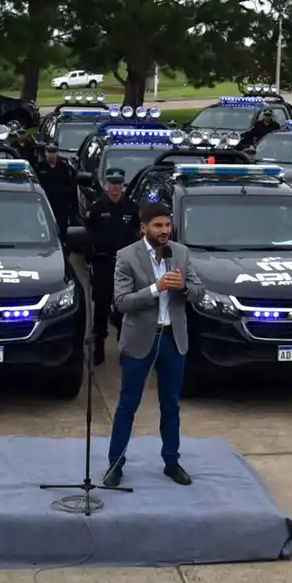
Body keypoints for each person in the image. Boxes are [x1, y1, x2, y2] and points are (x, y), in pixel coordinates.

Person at [103, 203, 201, 488]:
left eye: (167, 225)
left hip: (173, 339)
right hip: (140, 340)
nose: (164, 231)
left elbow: (199, 292)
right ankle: (115, 465)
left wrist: (182, 287)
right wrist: (156, 288)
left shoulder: (180, 253)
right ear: (143, 227)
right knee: (127, 406)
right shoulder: (126, 257)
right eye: (158, 226)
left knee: (170, 405)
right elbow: (121, 302)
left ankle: (172, 462)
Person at [84, 168, 140, 365]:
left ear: (122, 185)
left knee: (124, 307)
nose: (115, 187)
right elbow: (88, 234)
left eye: (119, 183)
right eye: (112, 183)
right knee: (101, 305)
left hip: (125, 266)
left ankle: (124, 346)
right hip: (103, 264)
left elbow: (137, 234)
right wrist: (92, 253)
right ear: (107, 185)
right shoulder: (97, 208)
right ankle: (99, 346)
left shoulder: (131, 208)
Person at [35, 143, 77, 226]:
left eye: (53, 152)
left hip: (61, 204)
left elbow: (72, 187)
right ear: (45, 153)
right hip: (46, 203)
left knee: (61, 227)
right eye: (49, 152)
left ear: (57, 153)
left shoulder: (65, 167)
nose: (51, 154)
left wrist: (72, 209)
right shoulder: (39, 168)